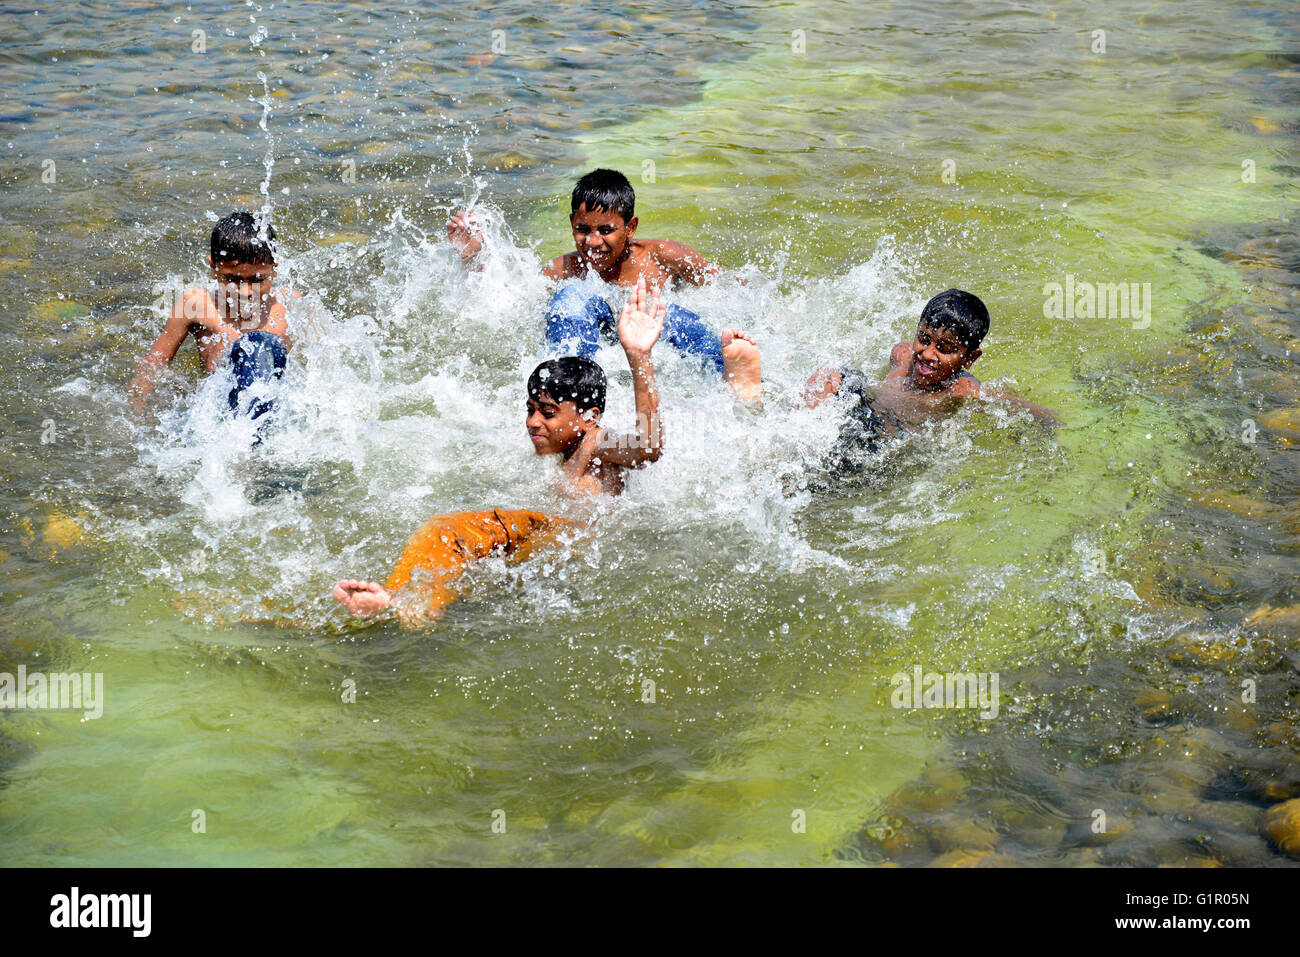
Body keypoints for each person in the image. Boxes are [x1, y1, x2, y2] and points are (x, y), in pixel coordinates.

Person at [332, 277, 671, 627]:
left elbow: (648, 446)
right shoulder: (559, 448)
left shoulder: (596, 443)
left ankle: (405, 606)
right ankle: (409, 608)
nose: (533, 422)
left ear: (589, 417)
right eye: (530, 409)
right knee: (465, 563)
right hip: (560, 544)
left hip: (567, 536)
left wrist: (639, 357)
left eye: (548, 412)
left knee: (446, 530)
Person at [447, 168, 737, 375]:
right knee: (571, 299)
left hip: (651, 335)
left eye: (606, 230)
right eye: (582, 230)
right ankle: (573, 392)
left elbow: (730, 285)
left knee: (670, 315)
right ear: (572, 222)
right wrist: (472, 259)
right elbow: (502, 307)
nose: (593, 242)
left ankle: (736, 379)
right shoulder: (564, 269)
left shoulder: (663, 256)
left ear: (631, 227)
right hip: (595, 341)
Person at [128, 211, 291, 421]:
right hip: (217, 412)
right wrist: (138, 411)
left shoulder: (289, 305)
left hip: (278, 411)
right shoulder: (196, 305)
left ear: (274, 269)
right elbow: (154, 363)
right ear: (214, 268)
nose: (245, 292)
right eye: (232, 279)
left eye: (258, 280)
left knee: (261, 346)